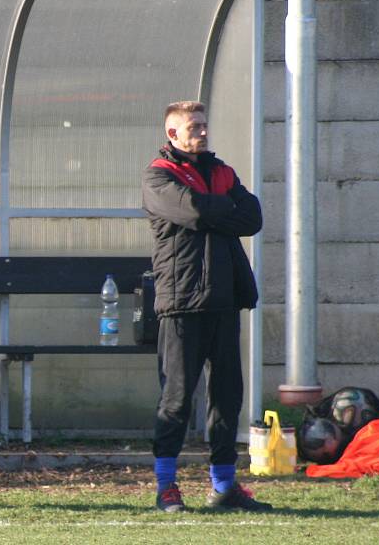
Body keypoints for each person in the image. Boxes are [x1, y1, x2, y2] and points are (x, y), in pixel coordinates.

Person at [141, 101, 271, 512]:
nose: (201, 132)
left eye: (203, 125)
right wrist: (221, 208)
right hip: (181, 303)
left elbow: (252, 217)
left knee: (227, 395)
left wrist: (215, 209)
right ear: (172, 135)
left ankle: (224, 486)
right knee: (177, 399)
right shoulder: (159, 175)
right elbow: (192, 211)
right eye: (193, 126)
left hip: (224, 299)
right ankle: (166, 487)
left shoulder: (221, 171)